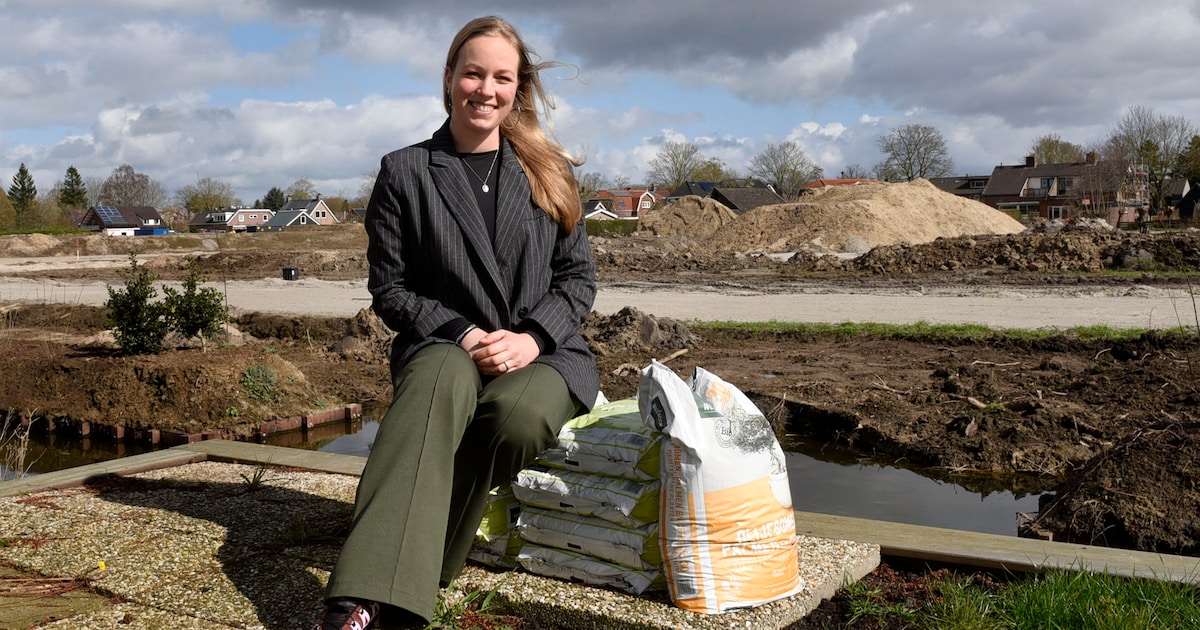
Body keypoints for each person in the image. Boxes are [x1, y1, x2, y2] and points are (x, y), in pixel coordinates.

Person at [313, 15, 599, 630]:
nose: (485, 89)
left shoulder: (550, 170)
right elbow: (390, 289)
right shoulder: (405, 172)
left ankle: (415, 558)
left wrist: (532, 338)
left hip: (543, 352)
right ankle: (365, 600)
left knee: (518, 419)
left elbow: (578, 281)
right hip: (445, 344)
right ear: (449, 78)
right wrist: (464, 333)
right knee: (437, 385)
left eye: (502, 77)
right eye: (473, 73)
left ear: (517, 88)